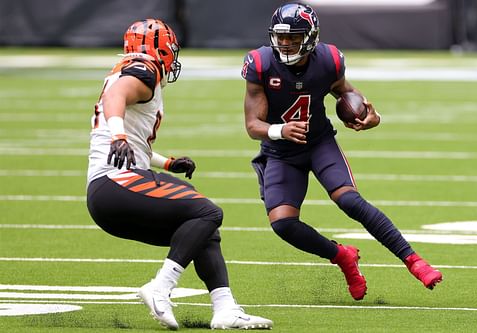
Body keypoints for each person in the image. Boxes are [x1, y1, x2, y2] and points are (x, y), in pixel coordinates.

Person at [241, 3, 442, 301]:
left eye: (293, 37)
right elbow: (252, 124)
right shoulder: (260, 64)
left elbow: (345, 91)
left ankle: (414, 261)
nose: (284, 43)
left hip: (319, 142)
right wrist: (279, 130)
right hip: (281, 152)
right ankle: (342, 256)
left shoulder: (328, 60)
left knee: (349, 200)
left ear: (310, 37)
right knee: (283, 223)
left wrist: (371, 115)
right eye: (281, 36)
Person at [86, 18, 273, 330]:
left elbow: (133, 140)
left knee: (203, 229)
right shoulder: (144, 69)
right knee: (207, 212)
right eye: (170, 49)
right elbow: (114, 98)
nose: (173, 56)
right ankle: (160, 287)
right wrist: (119, 135)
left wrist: (166, 163)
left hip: (113, 186)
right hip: (118, 183)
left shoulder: (130, 69)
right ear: (158, 47)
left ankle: (224, 307)